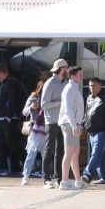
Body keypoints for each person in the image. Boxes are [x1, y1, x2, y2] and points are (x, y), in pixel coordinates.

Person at [0, 62, 27, 176]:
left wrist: (8, 115)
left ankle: (27, 164)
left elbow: (12, 99)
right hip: (5, 118)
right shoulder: (7, 82)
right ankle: (4, 167)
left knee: (12, 143)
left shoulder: (10, 82)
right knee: (2, 143)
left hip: (9, 118)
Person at [81, 77, 105, 185]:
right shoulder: (89, 97)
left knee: (96, 153)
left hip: (103, 131)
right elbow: (87, 112)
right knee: (99, 155)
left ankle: (87, 175)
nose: (92, 88)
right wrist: (83, 124)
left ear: (100, 85)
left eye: (94, 85)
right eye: (90, 85)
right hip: (91, 131)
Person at [40, 58, 68, 188]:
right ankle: (46, 178)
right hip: (51, 121)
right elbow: (43, 104)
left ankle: (59, 178)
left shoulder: (65, 82)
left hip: (62, 120)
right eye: (66, 68)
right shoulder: (50, 83)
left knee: (60, 150)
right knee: (49, 149)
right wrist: (59, 103)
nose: (67, 70)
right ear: (62, 69)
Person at [58, 65, 86, 190]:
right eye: (80, 75)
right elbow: (68, 109)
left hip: (73, 124)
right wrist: (74, 126)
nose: (82, 77)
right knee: (69, 152)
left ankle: (78, 180)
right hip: (70, 124)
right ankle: (64, 181)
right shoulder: (70, 88)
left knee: (75, 153)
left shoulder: (73, 88)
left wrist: (77, 125)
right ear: (73, 76)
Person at [21, 79, 47, 186]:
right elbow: (24, 112)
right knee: (31, 154)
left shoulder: (49, 98)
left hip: (47, 129)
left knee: (46, 154)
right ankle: (25, 176)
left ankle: (46, 177)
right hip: (34, 130)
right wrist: (31, 107)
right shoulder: (33, 97)